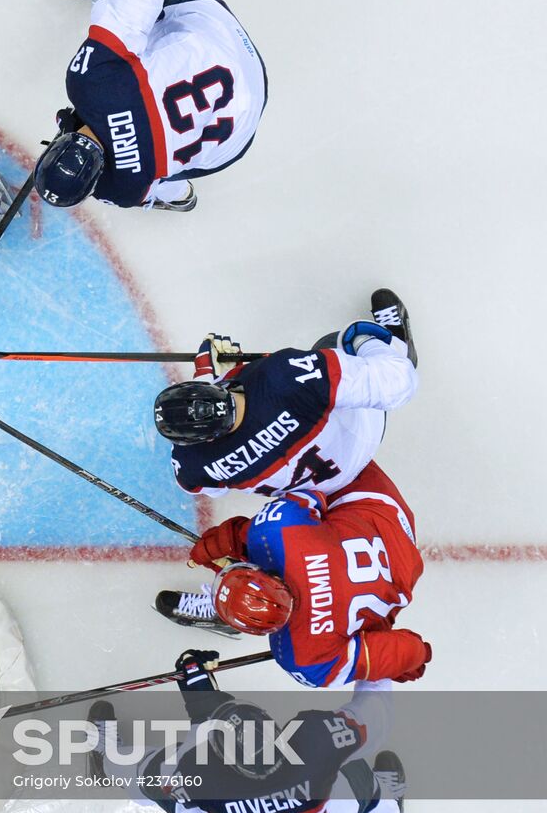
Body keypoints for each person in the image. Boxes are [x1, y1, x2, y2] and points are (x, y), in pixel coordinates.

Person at [91, 650, 406, 813]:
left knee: (148, 775)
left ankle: (107, 764)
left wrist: (198, 688)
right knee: (358, 776)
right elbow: (377, 711)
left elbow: (202, 730)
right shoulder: (315, 742)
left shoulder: (196, 773)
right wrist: (371, 655)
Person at [155, 461, 431, 687]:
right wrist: (226, 541)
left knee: (359, 646)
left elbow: (410, 648)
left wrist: (405, 662)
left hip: (400, 570)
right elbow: (306, 476)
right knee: (300, 465)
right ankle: (232, 609)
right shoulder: (305, 659)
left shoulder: (310, 656)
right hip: (375, 501)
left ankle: (229, 610)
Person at [36, 0, 267, 212]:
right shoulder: (89, 82)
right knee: (126, 33)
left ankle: (179, 194)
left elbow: (129, 162)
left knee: (159, 172)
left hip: (244, 121)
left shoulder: (120, 191)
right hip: (219, 33)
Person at [155, 289, 418, 498]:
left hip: (324, 487)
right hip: (361, 436)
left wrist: (210, 382)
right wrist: (212, 379)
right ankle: (398, 345)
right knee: (347, 338)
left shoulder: (190, 464)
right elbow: (400, 383)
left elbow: (205, 487)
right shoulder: (285, 377)